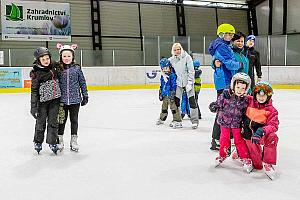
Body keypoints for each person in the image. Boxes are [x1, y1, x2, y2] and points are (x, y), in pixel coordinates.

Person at [233, 81, 279, 180]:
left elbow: (274, 125)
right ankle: (240, 151)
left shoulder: (272, 110)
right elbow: (237, 93)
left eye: (264, 95)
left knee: (273, 137)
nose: (261, 97)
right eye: (259, 94)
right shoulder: (249, 101)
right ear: (255, 94)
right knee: (257, 165)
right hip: (248, 135)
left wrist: (262, 130)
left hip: (260, 135)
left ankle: (268, 163)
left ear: (269, 96)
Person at [208, 23, 243, 150]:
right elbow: (229, 63)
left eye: (231, 34)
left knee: (228, 110)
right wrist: (238, 64)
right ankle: (216, 139)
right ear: (221, 34)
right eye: (227, 34)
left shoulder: (224, 45)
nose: (230, 36)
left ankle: (224, 137)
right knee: (222, 111)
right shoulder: (222, 46)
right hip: (225, 82)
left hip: (225, 80)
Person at [210, 73, 253, 173]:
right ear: (233, 85)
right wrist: (214, 106)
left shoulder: (245, 100)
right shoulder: (225, 95)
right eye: (238, 87)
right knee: (224, 139)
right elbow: (218, 104)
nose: (240, 90)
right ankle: (223, 154)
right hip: (224, 123)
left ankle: (245, 158)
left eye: (243, 88)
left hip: (236, 124)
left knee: (238, 141)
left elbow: (247, 111)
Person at [56, 43, 89, 152]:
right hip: (62, 101)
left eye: (68, 56)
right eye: (64, 56)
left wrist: (85, 95)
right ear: (61, 57)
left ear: (73, 57)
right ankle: (59, 140)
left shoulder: (77, 68)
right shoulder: (58, 69)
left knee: (74, 120)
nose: (66, 58)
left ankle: (73, 140)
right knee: (61, 121)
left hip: (75, 100)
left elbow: (82, 82)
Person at [30, 47, 61, 154]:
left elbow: (63, 62)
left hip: (55, 101)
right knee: (40, 123)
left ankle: (52, 142)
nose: (46, 61)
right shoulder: (36, 73)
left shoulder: (54, 66)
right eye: (43, 59)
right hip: (42, 103)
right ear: (39, 60)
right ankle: (38, 141)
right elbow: (34, 91)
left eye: (47, 58)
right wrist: (33, 107)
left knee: (53, 122)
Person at [169, 43, 199, 129]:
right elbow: (165, 68)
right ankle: (177, 120)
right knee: (176, 102)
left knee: (192, 101)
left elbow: (191, 70)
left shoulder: (187, 57)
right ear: (172, 51)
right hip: (178, 83)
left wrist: (190, 82)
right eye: (175, 50)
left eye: (178, 49)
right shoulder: (171, 60)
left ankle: (194, 121)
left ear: (181, 49)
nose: (177, 51)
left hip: (188, 82)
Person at [156, 58, 182, 128]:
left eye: (166, 68)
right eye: (163, 68)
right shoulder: (162, 76)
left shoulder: (172, 75)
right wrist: (161, 93)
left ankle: (177, 120)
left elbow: (174, 85)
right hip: (165, 95)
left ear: (170, 67)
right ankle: (162, 118)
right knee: (164, 107)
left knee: (173, 108)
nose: (165, 70)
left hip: (170, 95)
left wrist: (173, 93)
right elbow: (161, 85)